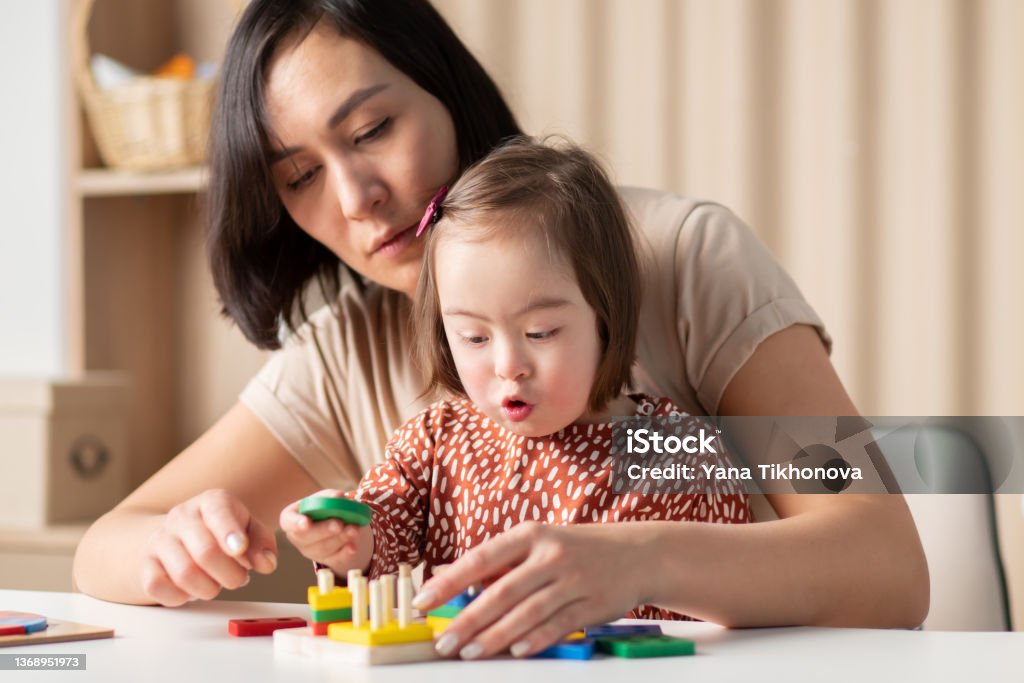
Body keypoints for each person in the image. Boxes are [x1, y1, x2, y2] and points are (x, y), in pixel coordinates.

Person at [72, 0, 928, 660]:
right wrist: (176, 542)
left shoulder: (680, 257)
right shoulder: (346, 346)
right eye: (298, 177)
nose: (354, 196)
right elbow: (104, 546)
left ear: (447, 89)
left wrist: (641, 563)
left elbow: (886, 569)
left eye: (373, 130)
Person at [278, 138, 752, 657]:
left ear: (605, 317)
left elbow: (720, 609)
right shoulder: (435, 442)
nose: (508, 366)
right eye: (475, 338)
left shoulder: (675, 449)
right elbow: (383, 523)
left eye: (542, 332)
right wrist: (347, 541)